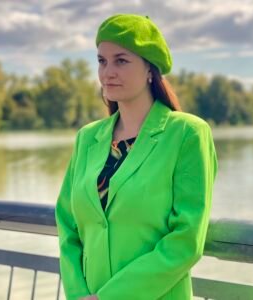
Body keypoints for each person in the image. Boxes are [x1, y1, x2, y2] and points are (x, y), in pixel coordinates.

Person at [55, 13, 218, 300]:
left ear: (150, 70)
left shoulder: (188, 134)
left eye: (121, 60)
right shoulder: (87, 138)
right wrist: (79, 294)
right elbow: (68, 226)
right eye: (101, 61)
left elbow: (186, 239)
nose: (108, 72)